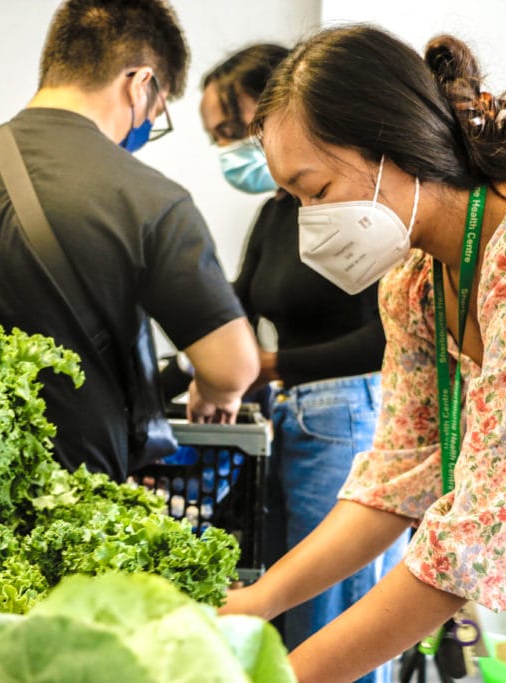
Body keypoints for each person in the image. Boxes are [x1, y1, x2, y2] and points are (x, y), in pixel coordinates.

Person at [221, 24, 506, 683]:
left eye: (314, 192)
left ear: (391, 146)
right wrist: (255, 603)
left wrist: (286, 674)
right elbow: (396, 478)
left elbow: (484, 533)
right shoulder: (418, 281)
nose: (306, 221)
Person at [0, 0, 259, 482]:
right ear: (141, 83)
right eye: (158, 110)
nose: (149, 125)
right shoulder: (149, 198)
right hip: (72, 494)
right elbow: (232, 367)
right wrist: (217, 394)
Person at [200, 43, 405, 682]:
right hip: (293, 416)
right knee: (291, 608)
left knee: (330, 615)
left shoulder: (361, 216)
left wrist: (272, 362)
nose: (230, 151)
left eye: (234, 132)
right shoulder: (275, 215)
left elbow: (384, 338)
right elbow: (232, 304)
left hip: (346, 413)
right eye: (216, 138)